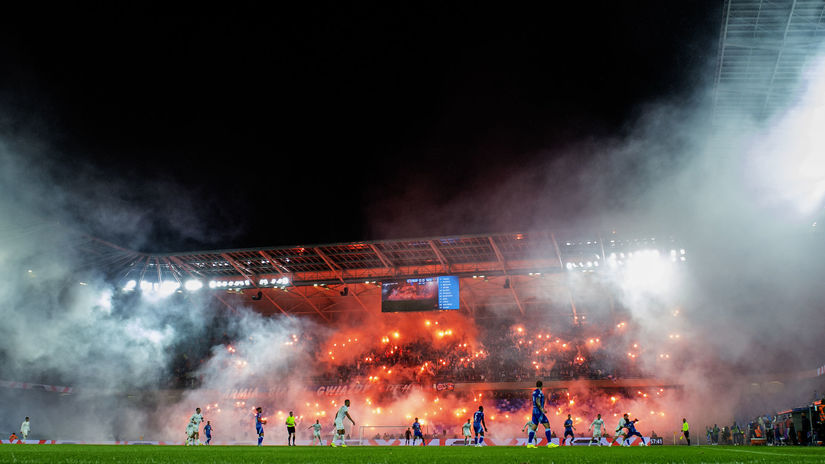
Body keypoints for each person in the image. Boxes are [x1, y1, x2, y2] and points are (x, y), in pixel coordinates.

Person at [527, 380, 559, 448]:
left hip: (534, 411)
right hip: (538, 411)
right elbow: (537, 401)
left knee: (534, 427)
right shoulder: (539, 392)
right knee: (547, 425)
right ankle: (550, 443)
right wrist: (542, 409)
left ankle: (529, 444)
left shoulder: (534, 392)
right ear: (542, 386)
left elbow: (535, 400)